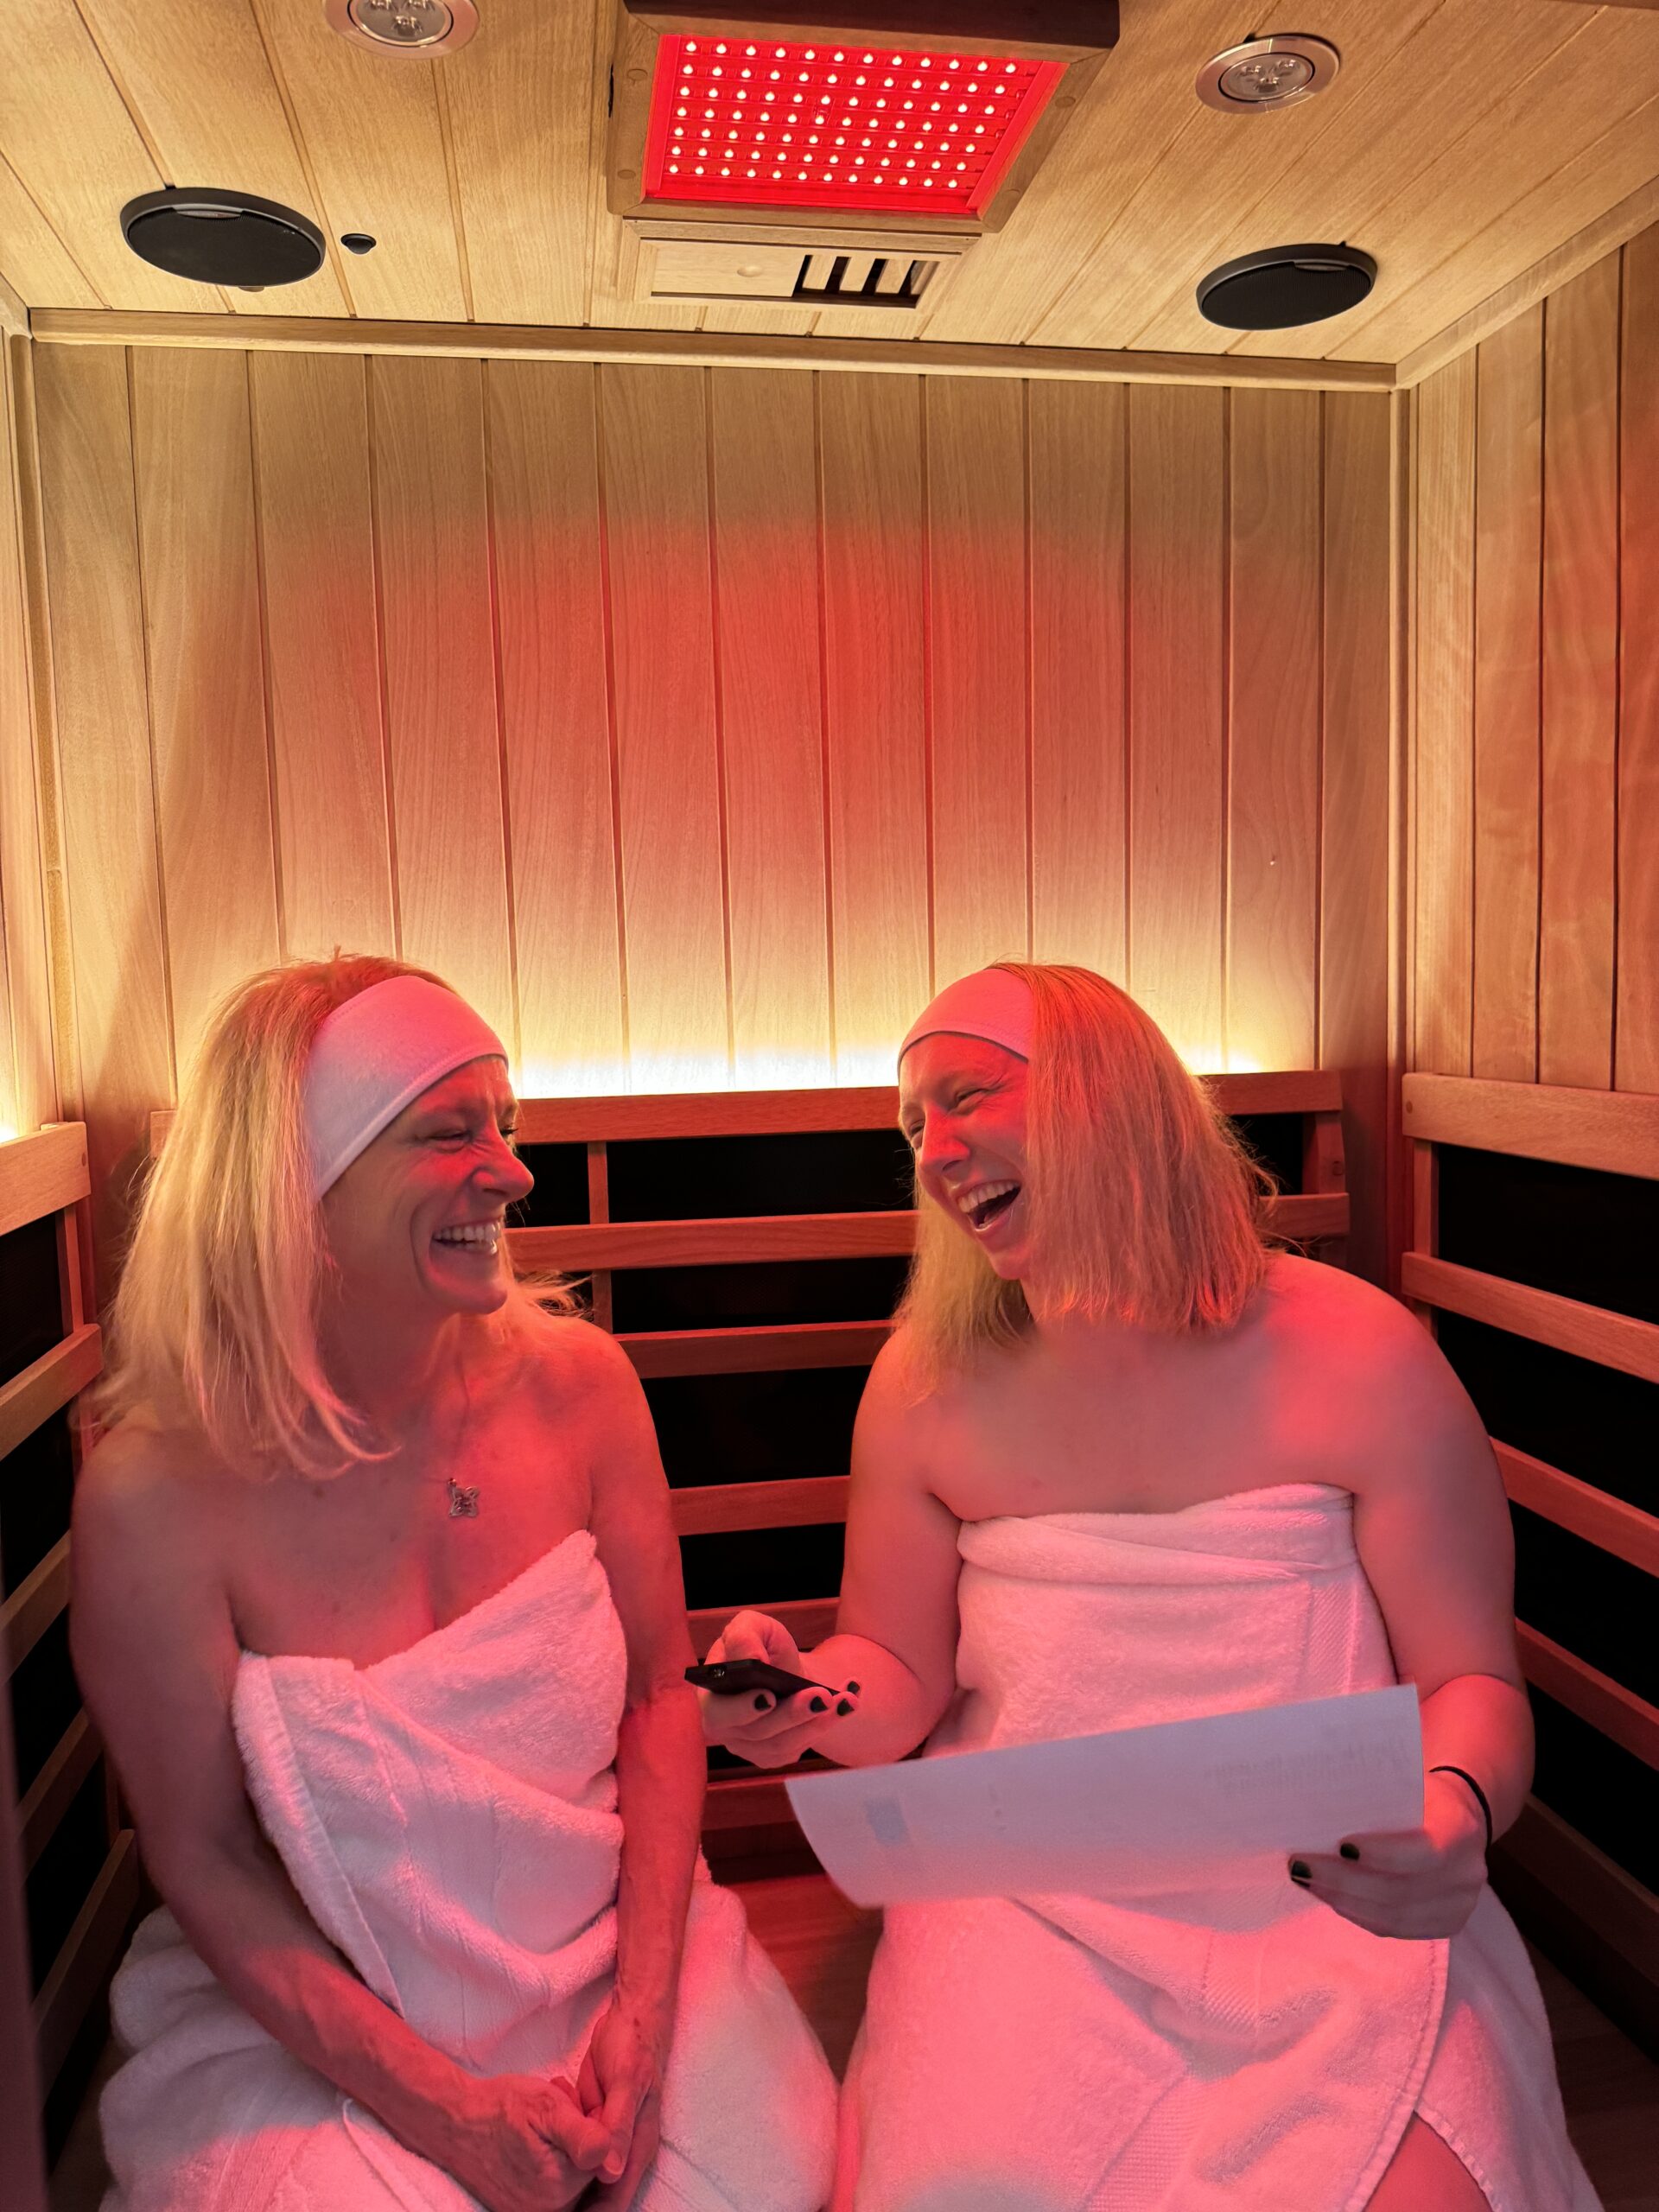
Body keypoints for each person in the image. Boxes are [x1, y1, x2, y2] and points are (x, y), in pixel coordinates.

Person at [703, 962, 1599, 2212]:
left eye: (965, 1098)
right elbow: (893, 1679)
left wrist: (1451, 1814)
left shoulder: (1357, 1352)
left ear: (1105, 1094)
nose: (934, 1150)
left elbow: (1466, 1681)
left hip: (1312, 1883)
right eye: (912, 1127)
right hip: (1024, 1895)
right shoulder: (924, 1382)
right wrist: (801, 1697)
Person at [73, 956, 836, 2212]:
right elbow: (203, 1856)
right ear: (293, 1186)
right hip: (328, 2008)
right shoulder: (158, 1497)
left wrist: (639, 2027)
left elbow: (659, 1702)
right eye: (449, 1132)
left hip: (609, 1947)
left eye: (508, 1124)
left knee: (769, 2174)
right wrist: (443, 2110)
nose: (514, 1171)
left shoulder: (583, 1389)